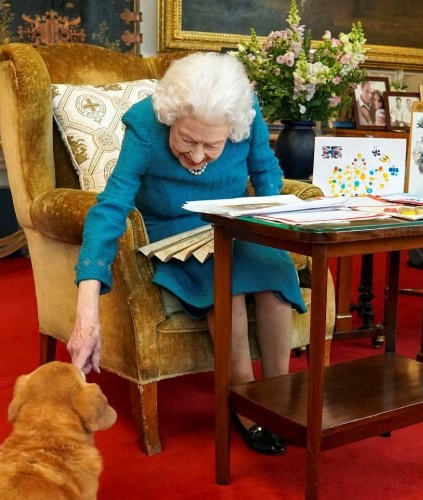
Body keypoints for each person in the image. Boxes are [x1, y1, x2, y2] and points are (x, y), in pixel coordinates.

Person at [68, 52, 306, 456]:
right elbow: (111, 206)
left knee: (275, 282)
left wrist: (273, 229)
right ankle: (245, 404)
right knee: (225, 288)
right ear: (170, 117)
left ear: (232, 127)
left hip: (235, 222)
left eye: (212, 145)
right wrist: (87, 306)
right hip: (173, 228)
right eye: (186, 140)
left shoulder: (245, 112)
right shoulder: (145, 123)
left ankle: (277, 399)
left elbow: (266, 174)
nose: (197, 157)